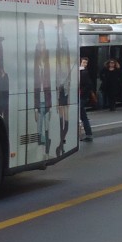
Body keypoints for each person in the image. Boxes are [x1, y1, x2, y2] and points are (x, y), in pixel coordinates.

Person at [32, 21, 52, 155]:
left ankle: (47, 151)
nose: (41, 40)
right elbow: (35, 86)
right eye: (39, 37)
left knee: (47, 128)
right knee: (39, 129)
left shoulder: (47, 59)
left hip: (47, 102)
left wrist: (51, 104)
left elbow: (49, 84)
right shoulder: (36, 68)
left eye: (42, 37)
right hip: (39, 103)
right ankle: (41, 150)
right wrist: (35, 107)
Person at [54, 17, 70, 157]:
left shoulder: (65, 42)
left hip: (65, 87)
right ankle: (61, 143)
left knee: (66, 118)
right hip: (59, 87)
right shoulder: (55, 43)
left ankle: (62, 142)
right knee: (61, 117)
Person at [78, 57, 94, 142]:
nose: (84, 64)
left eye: (86, 63)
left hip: (81, 97)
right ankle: (88, 134)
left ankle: (88, 134)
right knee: (83, 116)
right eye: (83, 62)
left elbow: (88, 85)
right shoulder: (81, 72)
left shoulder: (83, 72)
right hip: (82, 97)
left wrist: (81, 93)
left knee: (82, 116)